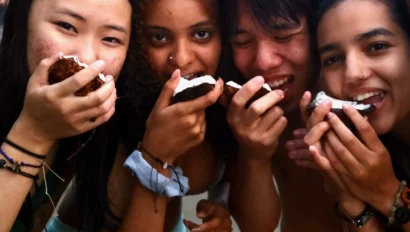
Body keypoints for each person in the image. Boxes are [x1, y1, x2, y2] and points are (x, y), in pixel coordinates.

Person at [51, 0, 233, 231]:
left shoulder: (228, 106)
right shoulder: (105, 112)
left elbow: (239, 196)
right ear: (136, 42)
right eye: (158, 37)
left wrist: (220, 206)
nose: (182, 58)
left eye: (201, 33)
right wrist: (154, 158)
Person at [0, 0, 136, 231]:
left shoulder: (82, 131)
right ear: (23, 21)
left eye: (111, 39)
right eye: (67, 26)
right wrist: (33, 133)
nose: (86, 57)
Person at [218, 0, 348, 231]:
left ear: (320, 29)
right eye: (242, 42)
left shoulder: (363, 98)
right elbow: (257, 226)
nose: (263, 62)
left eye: (284, 36)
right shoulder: (243, 110)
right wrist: (254, 155)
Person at [297, 0, 410, 231]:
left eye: (377, 47)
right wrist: (348, 193)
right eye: (333, 59)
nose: (352, 74)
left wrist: (387, 191)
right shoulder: (365, 154)